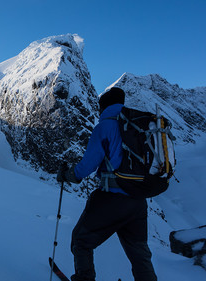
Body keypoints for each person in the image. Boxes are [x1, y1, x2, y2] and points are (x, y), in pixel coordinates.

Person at [57, 87, 157, 281]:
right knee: (139, 254)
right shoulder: (139, 127)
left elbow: (86, 166)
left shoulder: (105, 127)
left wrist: (67, 175)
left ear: (103, 107)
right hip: (138, 200)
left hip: (112, 197)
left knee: (81, 240)